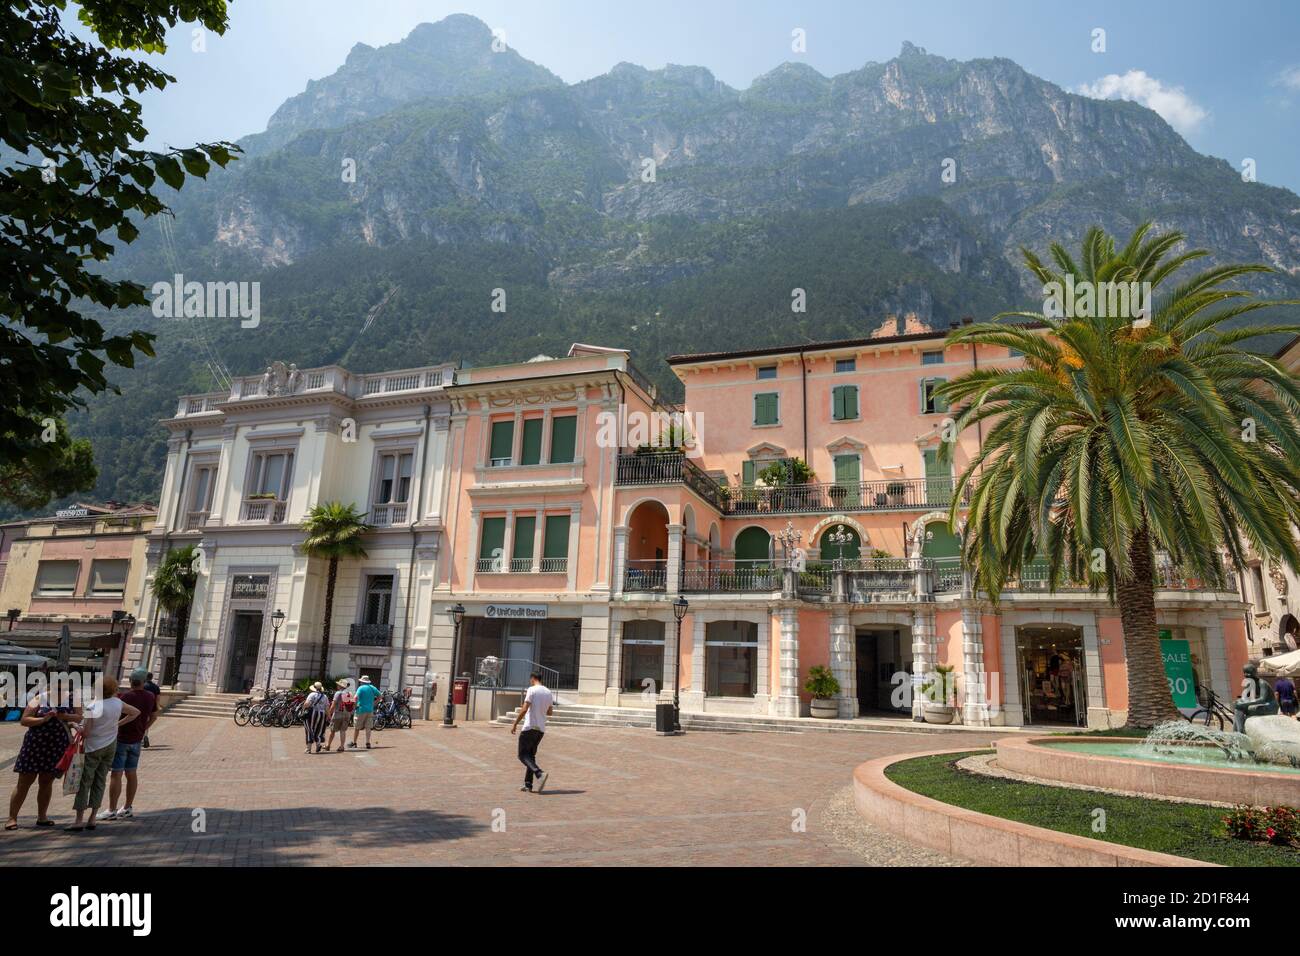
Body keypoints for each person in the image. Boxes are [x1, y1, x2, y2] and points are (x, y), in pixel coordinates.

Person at [67, 676, 139, 832]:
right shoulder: (118, 703)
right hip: (110, 745)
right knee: (100, 781)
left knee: (85, 782)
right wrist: (117, 724)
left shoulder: (93, 706)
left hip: (93, 747)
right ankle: (92, 817)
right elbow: (135, 712)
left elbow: (85, 733)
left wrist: (73, 724)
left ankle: (79, 819)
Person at [5, 683, 81, 830]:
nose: (61, 691)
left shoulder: (73, 700)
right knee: (24, 782)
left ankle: (42, 817)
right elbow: (24, 720)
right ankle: (12, 818)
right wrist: (44, 719)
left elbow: (79, 717)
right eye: (57, 688)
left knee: (46, 782)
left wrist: (65, 716)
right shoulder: (39, 698)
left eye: (64, 688)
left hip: (57, 746)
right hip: (35, 745)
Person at [99, 669, 158, 821]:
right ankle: (127, 807)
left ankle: (111, 809)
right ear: (144, 681)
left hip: (122, 738)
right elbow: (154, 716)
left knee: (116, 774)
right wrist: (144, 728)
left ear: (130, 681)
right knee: (131, 773)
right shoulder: (150, 696)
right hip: (137, 739)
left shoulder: (125, 696)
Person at [510, 672, 554, 794]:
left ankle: (539, 773)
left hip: (529, 727)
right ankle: (528, 784)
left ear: (533, 678)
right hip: (540, 729)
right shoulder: (548, 692)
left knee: (522, 755)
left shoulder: (532, 690)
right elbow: (550, 712)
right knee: (530, 756)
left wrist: (515, 723)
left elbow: (524, 709)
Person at [350, 675, 380, 750]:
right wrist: (374, 703)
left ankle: (354, 742)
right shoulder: (372, 688)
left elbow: (355, 698)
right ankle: (367, 742)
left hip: (361, 709)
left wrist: (353, 706)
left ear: (362, 682)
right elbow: (380, 696)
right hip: (370, 710)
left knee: (357, 727)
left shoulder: (361, 688)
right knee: (368, 727)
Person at [325, 679, 354, 753]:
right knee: (343, 731)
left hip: (338, 714)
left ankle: (328, 745)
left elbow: (333, 705)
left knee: (332, 730)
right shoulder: (350, 693)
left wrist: (329, 714)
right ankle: (341, 746)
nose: (337, 686)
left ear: (340, 686)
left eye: (338, 685)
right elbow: (354, 704)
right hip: (347, 714)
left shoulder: (338, 693)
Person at [303, 681, 329, 754]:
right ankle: (318, 745)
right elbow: (327, 708)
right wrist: (328, 716)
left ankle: (308, 749)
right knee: (319, 730)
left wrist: (303, 708)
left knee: (309, 729)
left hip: (312, 714)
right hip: (322, 714)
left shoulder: (312, 694)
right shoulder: (325, 696)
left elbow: (307, 704)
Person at [141, 672, 161, 748]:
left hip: (142, 706)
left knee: (142, 721)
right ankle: (145, 736)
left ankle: (142, 737)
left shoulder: (143, 685)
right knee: (148, 721)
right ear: (151, 678)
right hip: (152, 707)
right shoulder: (155, 687)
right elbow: (158, 698)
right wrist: (157, 706)